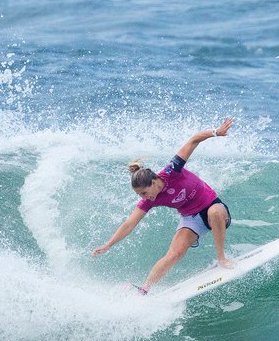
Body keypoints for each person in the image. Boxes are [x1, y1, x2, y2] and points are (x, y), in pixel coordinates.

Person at [92, 118, 235, 294]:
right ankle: (144, 290)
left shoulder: (172, 170)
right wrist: (108, 244)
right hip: (191, 218)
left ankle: (221, 258)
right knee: (174, 253)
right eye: (139, 195)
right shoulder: (150, 200)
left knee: (214, 212)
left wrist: (216, 132)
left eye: (143, 193)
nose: (144, 198)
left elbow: (193, 140)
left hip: (213, 207)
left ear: (153, 182)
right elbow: (129, 223)